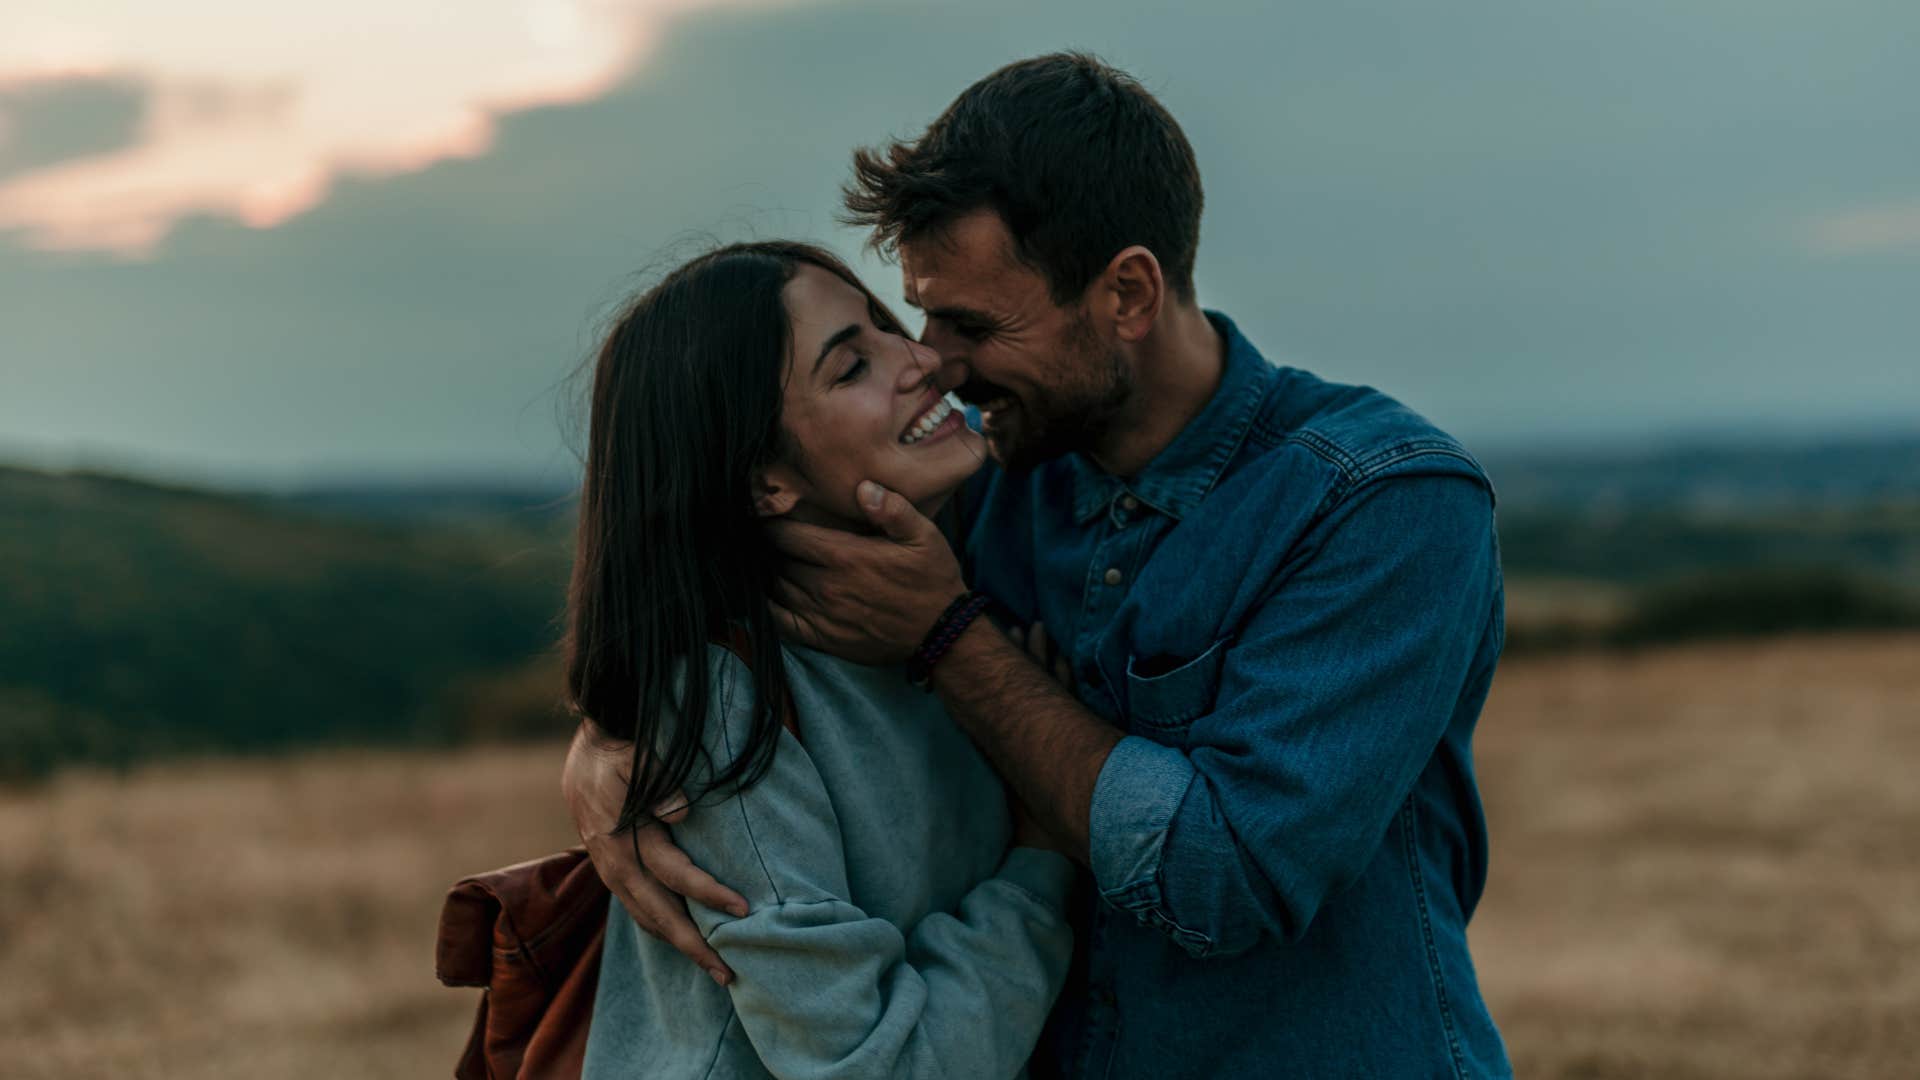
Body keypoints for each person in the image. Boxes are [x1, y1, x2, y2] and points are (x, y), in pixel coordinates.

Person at [568, 54, 1513, 1077]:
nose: (931, 357)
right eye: (915, 315)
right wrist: (624, 752)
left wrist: (951, 640)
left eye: (972, 324)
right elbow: (711, 585)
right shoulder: (985, 483)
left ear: (1128, 294)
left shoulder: (1379, 502)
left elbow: (1229, 875)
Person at [562, 239, 1077, 1079]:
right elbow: (871, 1068)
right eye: (851, 368)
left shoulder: (990, 555)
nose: (923, 360)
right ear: (764, 484)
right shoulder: (729, 707)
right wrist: (1044, 861)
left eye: (885, 326)